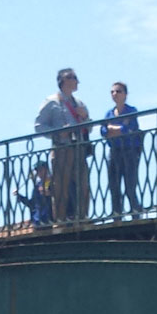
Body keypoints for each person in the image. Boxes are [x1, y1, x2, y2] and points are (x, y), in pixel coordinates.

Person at [34, 68, 91, 223]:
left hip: (78, 147)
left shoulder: (79, 103)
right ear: (64, 80)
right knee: (60, 187)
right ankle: (60, 220)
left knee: (83, 185)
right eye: (74, 78)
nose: (77, 81)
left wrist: (84, 117)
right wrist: (58, 133)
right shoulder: (51, 102)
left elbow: (90, 127)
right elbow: (39, 126)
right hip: (61, 148)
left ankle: (83, 217)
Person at [102, 82, 144, 218]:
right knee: (114, 186)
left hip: (129, 151)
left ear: (125, 95)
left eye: (118, 91)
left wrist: (113, 129)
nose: (115, 94)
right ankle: (117, 216)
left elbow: (129, 129)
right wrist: (118, 128)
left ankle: (135, 214)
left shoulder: (131, 111)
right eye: (112, 92)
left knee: (129, 186)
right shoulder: (109, 113)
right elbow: (104, 131)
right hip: (114, 151)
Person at [27, 160, 53, 229]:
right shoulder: (37, 186)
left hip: (48, 219)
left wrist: (48, 193)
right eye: (38, 171)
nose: (39, 173)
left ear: (46, 170)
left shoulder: (52, 182)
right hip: (37, 221)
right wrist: (19, 196)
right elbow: (31, 203)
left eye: (41, 170)